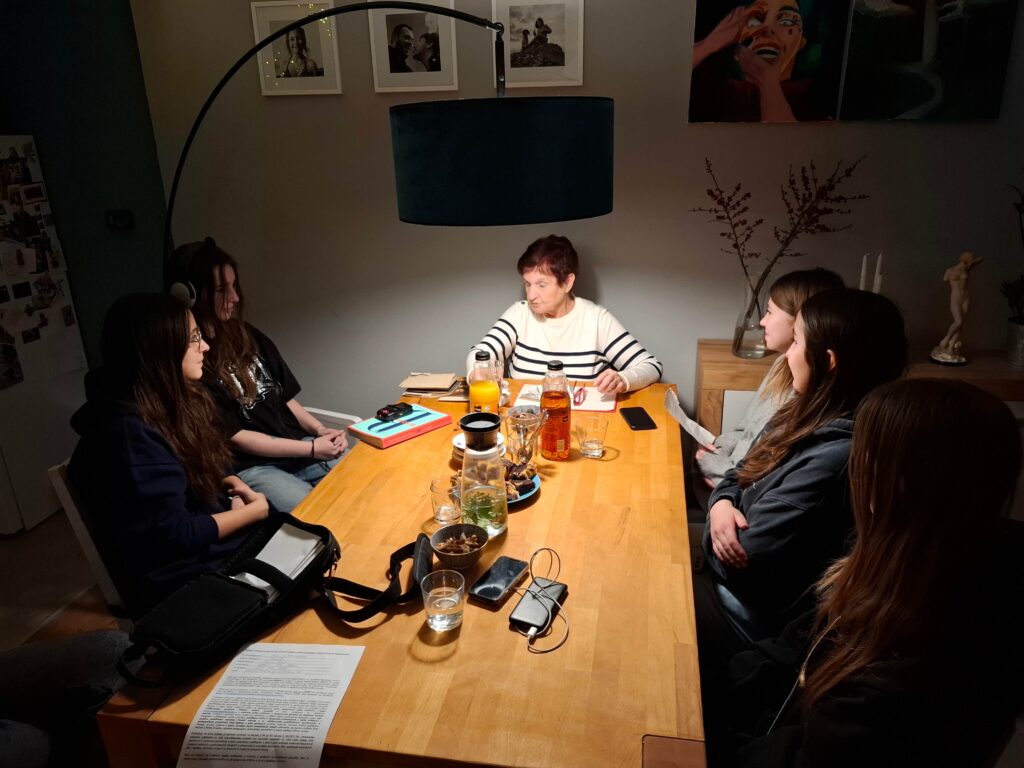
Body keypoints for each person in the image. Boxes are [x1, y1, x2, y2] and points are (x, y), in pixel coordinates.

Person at [723, 379, 1024, 767]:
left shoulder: (920, 665)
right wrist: (713, 688)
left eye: (865, 457)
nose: (854, 470)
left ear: (902, 483)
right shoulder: (901, 564)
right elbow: (793, 648)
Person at [700, 288, 907, 648]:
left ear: (828, 360)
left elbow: (738, 561)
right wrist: (720, 505)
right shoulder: (803, 411)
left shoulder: (836, 460)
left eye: (796, 341)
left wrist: (713, 526)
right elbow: (743, 469)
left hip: (750, 612)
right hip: (729, 578)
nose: (787, 355)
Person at [68, 294, 269, 615]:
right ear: (159, 350)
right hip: (185, 582)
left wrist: (232, 483)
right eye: (194, 339)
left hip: (211, 549)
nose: (205, 347)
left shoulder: (171, 402)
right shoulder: (129, 435)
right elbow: (175, 534)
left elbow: (200, 467)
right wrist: (252, 513)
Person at [169, 238, 349, 514]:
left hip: (298, 447)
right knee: (318, 513)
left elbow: (284, 396)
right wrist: (312, 449)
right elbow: (236, 437)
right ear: (190, 295)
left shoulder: (247, 334)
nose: (235, 297)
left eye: (234, 286)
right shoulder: (192, 360)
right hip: (254, 467)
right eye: (221, 289)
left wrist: (319, 431)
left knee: (360, 480)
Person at [696, 268, 844, 489]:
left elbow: (764, 479)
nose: (762, 322)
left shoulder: (808, 398)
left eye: (770, 312)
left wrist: (718, 474)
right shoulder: (780, 365)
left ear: (800, 319)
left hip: (735, 490)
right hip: (727, 477)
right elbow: (744, 431)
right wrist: (717, 448)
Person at [467, 235, 663, 395]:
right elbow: (481, 352)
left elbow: (651, 366)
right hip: (525, 420)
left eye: (541, 284)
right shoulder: (519, 313)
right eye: (527, 284)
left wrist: (623, 379)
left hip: (581, 422)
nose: (531, 295)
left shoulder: (596, 319)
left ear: (568, 282)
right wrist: (477, 374)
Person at [690, 0, 828, 122]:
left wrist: (769, 87)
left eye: (786, 22)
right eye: (755, 20)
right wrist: (709, 44)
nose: (767, 31)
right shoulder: (711, 92)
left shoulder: (816, 101)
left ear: (801, 43)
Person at [932, 250, 982, 362]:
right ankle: (946, 339)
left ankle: (951, 346)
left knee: (961, 323)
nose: (969, 265)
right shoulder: (950, 270)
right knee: (958, 321)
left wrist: (974, 260)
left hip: (965, 298)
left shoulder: (966, 268)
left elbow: (979, 260)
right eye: (968, 262)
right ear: (964, 261)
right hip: (955, 298)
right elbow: (945, 279)